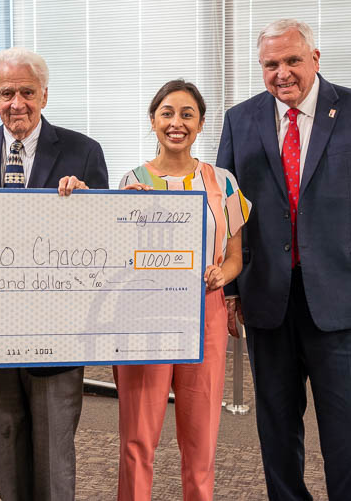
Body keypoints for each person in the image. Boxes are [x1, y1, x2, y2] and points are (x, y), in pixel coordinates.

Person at [0, 46, 108, 501]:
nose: (16, 102)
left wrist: (86, 204)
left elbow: (104, 242)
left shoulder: (83, 152)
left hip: (57, 331)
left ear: (44, 95)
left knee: (54, 448)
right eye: (6, 93)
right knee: (4, 441)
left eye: (26, 91)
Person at [216, 18, 351, 501]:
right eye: (271, 64)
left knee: (344, 429)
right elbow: (225, 212)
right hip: (267, 298)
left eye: (293, 60)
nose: (282, 73)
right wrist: (231, 290)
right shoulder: (241, 119)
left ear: (315, 59)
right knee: (276, 423)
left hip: (339, 298)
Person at [114, 79, 251, 501]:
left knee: (201, 439)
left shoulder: (223, 183)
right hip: (144, 316)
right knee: (139, 438)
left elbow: (234, 257)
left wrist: (223, 276)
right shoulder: (131, 182)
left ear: (201, 123)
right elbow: (116, 258)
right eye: (167, 113)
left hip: (204, 315)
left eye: (187, 114)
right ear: (153, 121)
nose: (177, 122)